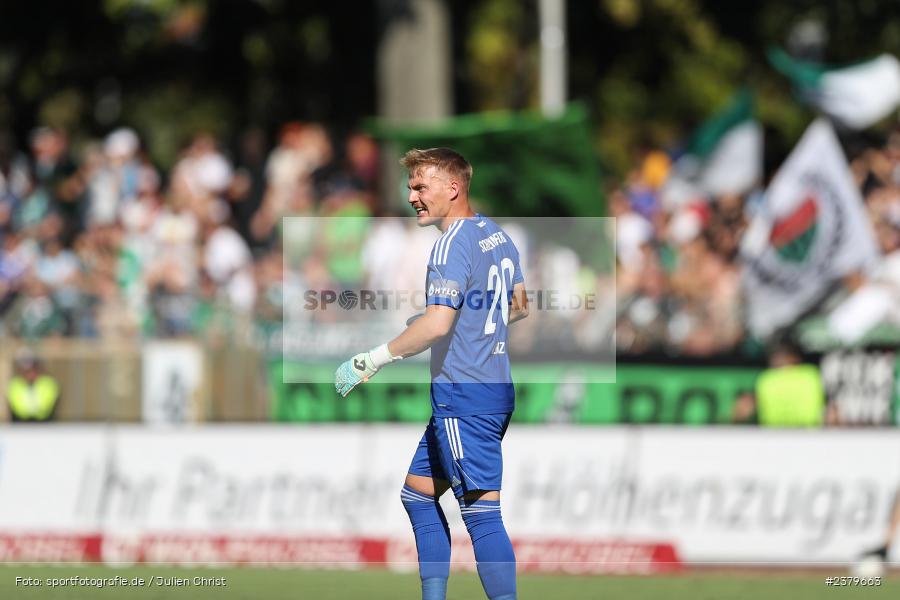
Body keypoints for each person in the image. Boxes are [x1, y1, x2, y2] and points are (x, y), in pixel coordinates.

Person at [334, 148, 527, 600]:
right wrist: (446, 317)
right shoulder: (494, 233)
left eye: (421, 187)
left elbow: (438, 326)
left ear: (453, 188)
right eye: (411, 187)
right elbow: (518, 306)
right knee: (417, 495)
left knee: (481, 514)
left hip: (465, 394)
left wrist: (372, 359)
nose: (412, 196)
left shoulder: (451, 242)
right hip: (493, 388)